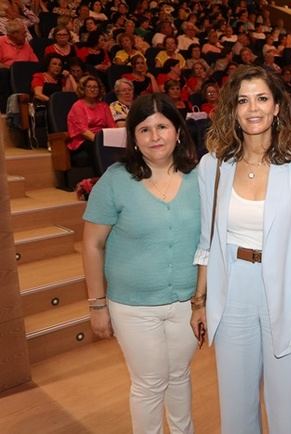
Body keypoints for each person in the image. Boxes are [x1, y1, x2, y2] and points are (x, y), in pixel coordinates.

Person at [189, 65, 291, 434]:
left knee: (287, 407)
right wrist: (199, 302)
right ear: (232, 110)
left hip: (286, 292)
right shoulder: (212, 167)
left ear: (277, 107)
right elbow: (207, 242)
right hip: (232, 289)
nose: (253, 108)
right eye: (243, 100)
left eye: (262, 98)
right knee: (235, 408)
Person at [82, 93, 200, 434]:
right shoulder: (116, 180)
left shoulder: (199, 178)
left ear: (178, 130)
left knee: (179, 376)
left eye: (163, 126)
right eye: (144, 129)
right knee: (149, 383)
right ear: (132, 137)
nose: (155, 137)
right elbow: (92, 244)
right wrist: (96, 305)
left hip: (187, 304)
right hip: (133, 307)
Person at [67, 75, 116, 173]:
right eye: (89, 87)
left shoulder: (104, 106)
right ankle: (101, 176)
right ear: (83, 89)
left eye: (95, 87)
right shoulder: (78, 106)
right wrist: (99, 141)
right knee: (98, 147)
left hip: (101, 137)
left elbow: (112, 126)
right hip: (83, 140)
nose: (93, 89)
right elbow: (83, 131)